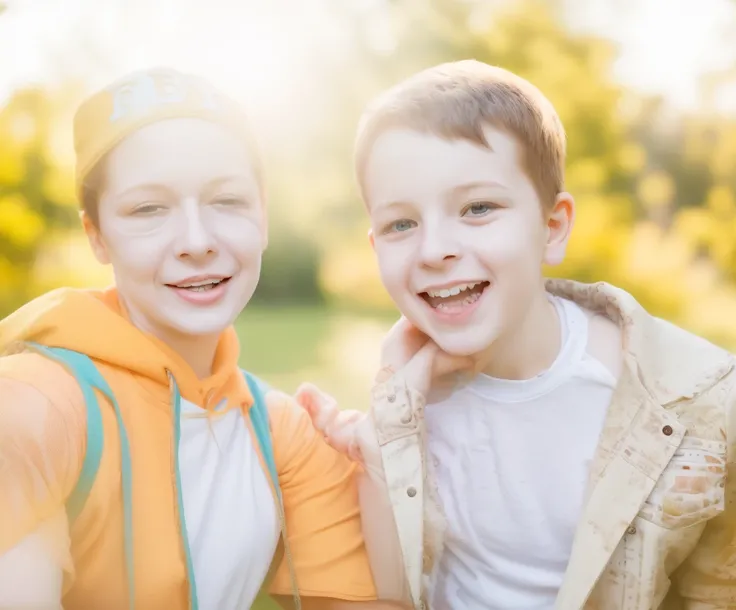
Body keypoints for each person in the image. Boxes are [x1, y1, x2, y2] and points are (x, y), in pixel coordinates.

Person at [297, 60, 736, 610]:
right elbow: (394, 595)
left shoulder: (689, 402)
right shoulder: (406, 395)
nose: (434, 250)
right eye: (401, 224)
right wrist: (383, 442)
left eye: (478, 208)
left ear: (551, 229)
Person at [0, 67, 393, 610]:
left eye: (226, 201)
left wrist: (383, 464)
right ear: (97, 236)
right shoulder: (33, 407)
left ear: (264, 214)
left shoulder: (282, 434)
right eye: (148, 209)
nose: (196, 241)